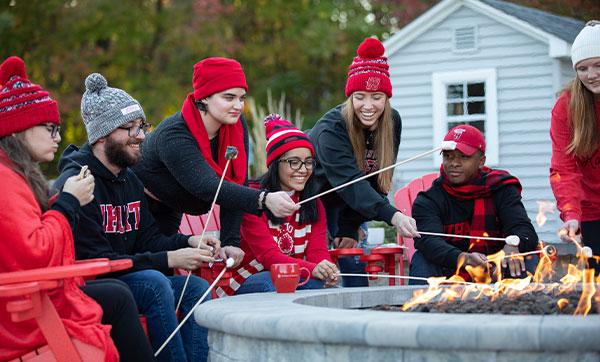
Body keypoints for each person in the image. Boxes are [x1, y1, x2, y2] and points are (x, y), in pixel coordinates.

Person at [0, 57, 160, 362]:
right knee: (120, 295)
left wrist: (62, 203)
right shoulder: (5, 181)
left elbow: (30, 236)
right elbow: (34, 253)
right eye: (50, 129)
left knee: (119, 292)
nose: (58, 138)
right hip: (23, 316)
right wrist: (70, 202)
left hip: (31, 301)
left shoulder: (15, 175)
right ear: (18, 130)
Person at [53, 73, 219, 362]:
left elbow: (148, 238)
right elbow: (95, 262)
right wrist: (169, 260)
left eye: (141, 127)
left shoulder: (130, 179)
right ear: (101, 135)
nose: (140, 136)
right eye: (130, 128)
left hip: (132, 277)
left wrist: (188, 240)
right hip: (94, 286)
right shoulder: (79, 182)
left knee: (195, 288)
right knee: (155, 281)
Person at [133, 57, 299, 266]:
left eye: (242, 98)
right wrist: (265, 200)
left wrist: (230, 240)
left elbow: (236, 180)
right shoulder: (173, 134)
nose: (238, 106)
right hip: (139, 205)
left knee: (166, 276)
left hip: (170, 208)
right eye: (229, 97)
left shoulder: (235, 125)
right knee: (149, 271)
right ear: (204, 98)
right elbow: (206, 186)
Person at [307, 38, 419, 287]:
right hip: (313, 199)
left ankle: (360, 317)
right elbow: (349, 181)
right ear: (350, 96)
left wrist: (350, 226)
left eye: (376, 96)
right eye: (360, 96)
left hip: (354, 200)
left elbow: (377, 178)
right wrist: (394, 216)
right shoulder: (331, 128)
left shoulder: (392, 121)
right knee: (321, 277)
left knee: (355, 267)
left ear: (386, 97)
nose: (368, 106)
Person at [215, 114, 339, 295]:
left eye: (308, 162)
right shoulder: (253, 200)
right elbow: (269, 258)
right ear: (274, 164)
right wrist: (312, 270)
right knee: (278, 285)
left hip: (293, 276)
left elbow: (317, 250)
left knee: (323, 289)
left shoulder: (313, 203)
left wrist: (323, 267)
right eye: (294, 162)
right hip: (246, 277)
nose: (303, 170)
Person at [409, 125, 539, 284]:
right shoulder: (429, 200)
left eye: (464, 156)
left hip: (496, 266)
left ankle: (522, 307)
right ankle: (423, 307)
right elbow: (429, 242)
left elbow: (524, 230)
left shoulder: (501, 189)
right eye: (448, 156)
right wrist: (463, 258)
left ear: (481, 161)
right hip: (451, 268)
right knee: (422, 259)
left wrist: (514, 244)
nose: (454, 163)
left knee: (522, 258)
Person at [549, 20, 600, 274]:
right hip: (591, 211)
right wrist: (570, 213)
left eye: (598, 65)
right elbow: (563, 169)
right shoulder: (567, 107)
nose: (591, 75)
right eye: (583, 68)